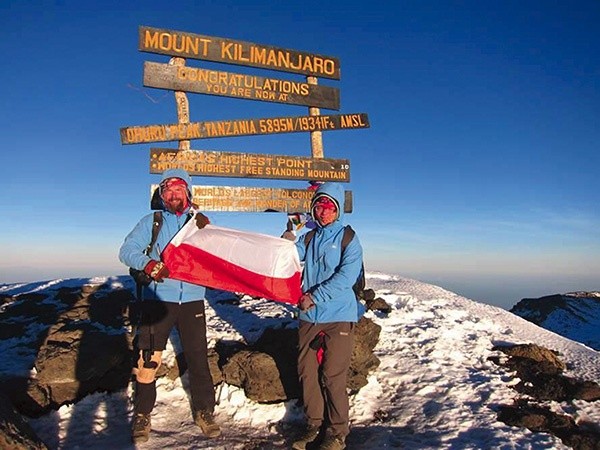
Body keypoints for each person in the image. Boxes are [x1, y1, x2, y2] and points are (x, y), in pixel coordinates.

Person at [119, 168, 219, 444]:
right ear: (162, 195)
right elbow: (127, 251)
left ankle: (205, 411)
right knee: (147, 359)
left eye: (178, 189)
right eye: (168, 191)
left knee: (198, 358)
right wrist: (149, 264)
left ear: (188, 193)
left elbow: (218, 256)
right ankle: (142, 414)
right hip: (158, 299)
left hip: (192, 300)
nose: (173, 195)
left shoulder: (198, 224)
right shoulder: (152, 221)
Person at [283, 182, 364, 450]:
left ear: (338, 209)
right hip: (309, 315)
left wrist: (315, 296)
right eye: (319, 206)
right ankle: (314, 424)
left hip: (338, 313)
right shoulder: (309, 237)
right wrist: (287, 240)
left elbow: (345, 278)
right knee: (307, 372)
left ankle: (338, 431)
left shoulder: (348, 238)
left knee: (332, 373)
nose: (323, 211)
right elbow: (291, 258)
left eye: (329, 207)